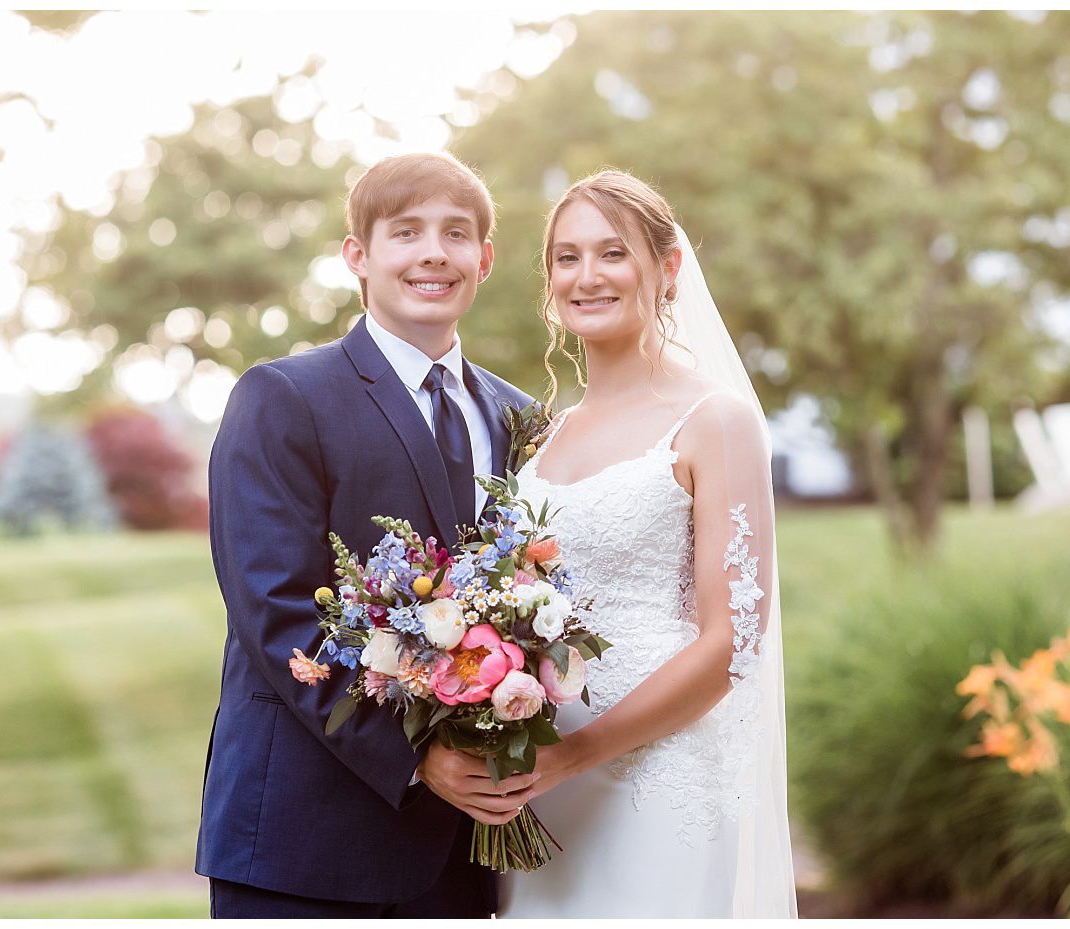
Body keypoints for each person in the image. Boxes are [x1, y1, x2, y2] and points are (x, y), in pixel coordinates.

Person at [197, 152, 536, 917]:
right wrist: (419, 756)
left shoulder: (518, 417)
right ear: (359, 255)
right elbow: (275, 614)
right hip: (306, 840)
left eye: (456, 233)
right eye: (405, 231)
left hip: (464, 850)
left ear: (483, 258)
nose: (432, 253)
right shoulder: (283, 397)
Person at [497, 170, 797, 916]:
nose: (586, 276)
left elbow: (734, 640)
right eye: (566, 258)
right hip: (539, 784)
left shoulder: (713, 420)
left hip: (659, 774)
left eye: (612, 253)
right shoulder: (544, 434)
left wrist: (577, 753)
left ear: (666, 269)